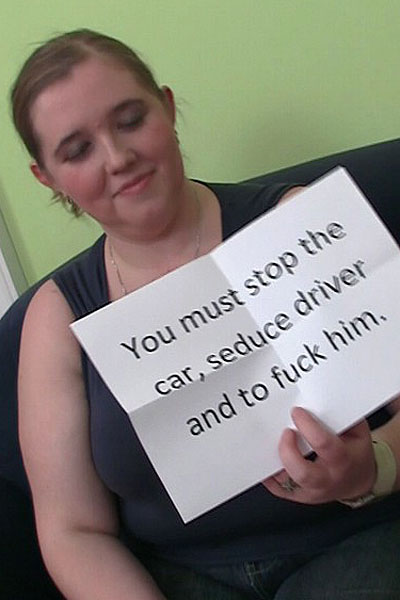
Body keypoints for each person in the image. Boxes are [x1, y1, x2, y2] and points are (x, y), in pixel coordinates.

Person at [12, 29, 400, 599]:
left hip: (352, 542)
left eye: (130, 120)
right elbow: (73, 531)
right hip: (180, 577)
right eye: (77, 151)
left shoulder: (298, 223)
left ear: (167, 108)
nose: (118, 158)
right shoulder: (56, 315)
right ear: (47, 177)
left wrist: (374, 469)